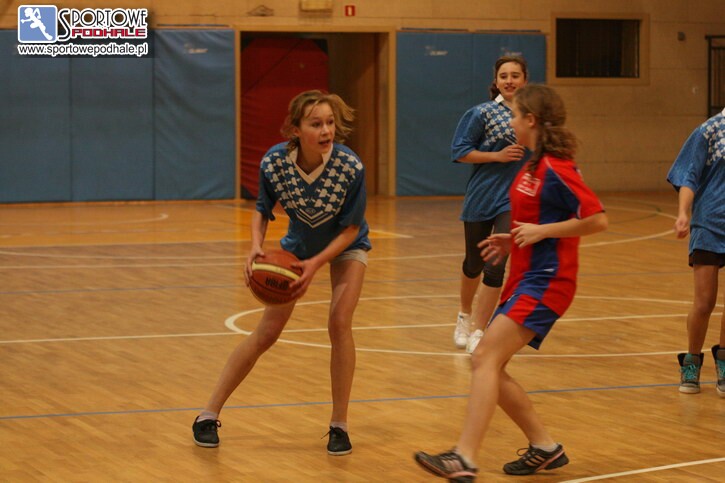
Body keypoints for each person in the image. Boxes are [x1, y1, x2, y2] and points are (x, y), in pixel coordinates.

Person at [415, 84, 608, 481]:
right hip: (524, 278)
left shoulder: (556, 167)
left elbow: (596, 219)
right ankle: (545, 447)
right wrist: (514, 238)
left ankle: (464, 458)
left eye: (516, 115)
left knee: (484, 357)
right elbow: (536, 219)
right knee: (489, 363)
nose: (511, 121)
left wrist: (541, 231)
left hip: (548, 282)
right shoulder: (530, 165)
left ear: (531, 120)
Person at [192, 90, 371, 455]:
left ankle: (339, 426)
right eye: (316, 124)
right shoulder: (275, 162)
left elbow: (351, 229)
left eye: (330, 122)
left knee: (339, 322)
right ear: (296, 129)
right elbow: (262, 209)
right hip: (298, 245)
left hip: (346, 245)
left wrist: (315, 265)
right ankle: (207, 415)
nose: (326, 130)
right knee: (267, 332)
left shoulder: (350, 167)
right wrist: (255, 247)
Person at [450, 56, 529, 353]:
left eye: (515, 75)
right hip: (482, 195)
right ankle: (464, 314)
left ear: (525, 80)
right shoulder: (481, 113)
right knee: (474, 264)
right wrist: (496, 156)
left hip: (514, 199)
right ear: (495, 81)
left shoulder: (533, 115)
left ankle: (479, 330)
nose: (509, 80)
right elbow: (459, 151)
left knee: (496, 267)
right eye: (504, 75)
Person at [667, 108, 725, 397]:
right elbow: (689, 177)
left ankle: (724, 362)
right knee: (704, 302)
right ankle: (691, 362)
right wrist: (683, 212)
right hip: (709, 224)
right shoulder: (709, 131)